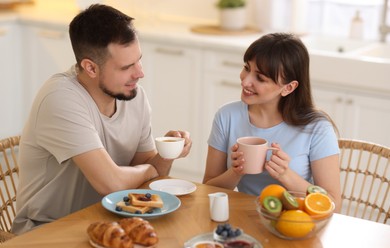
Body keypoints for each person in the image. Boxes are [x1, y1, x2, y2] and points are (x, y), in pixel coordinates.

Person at [12, 4, 192, 235]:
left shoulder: (132, 95)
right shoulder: (60, 98)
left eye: (139, 60)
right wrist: (148, 170)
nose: (140, 73)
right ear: (90, 67)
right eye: (127, 67)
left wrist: (167, 153)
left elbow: (149, 178)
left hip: (109, 223)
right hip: (46, 232)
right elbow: (112, 184)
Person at [203, 33, 341, 212]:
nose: (245, 81)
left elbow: (333, 204)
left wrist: (286, 175)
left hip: (296, 224)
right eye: (246, 68)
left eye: (260, 78)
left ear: (288, 87)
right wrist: (235, 172)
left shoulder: (317, 128)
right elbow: (207, 188)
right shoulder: (226, 116)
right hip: (244, 220)